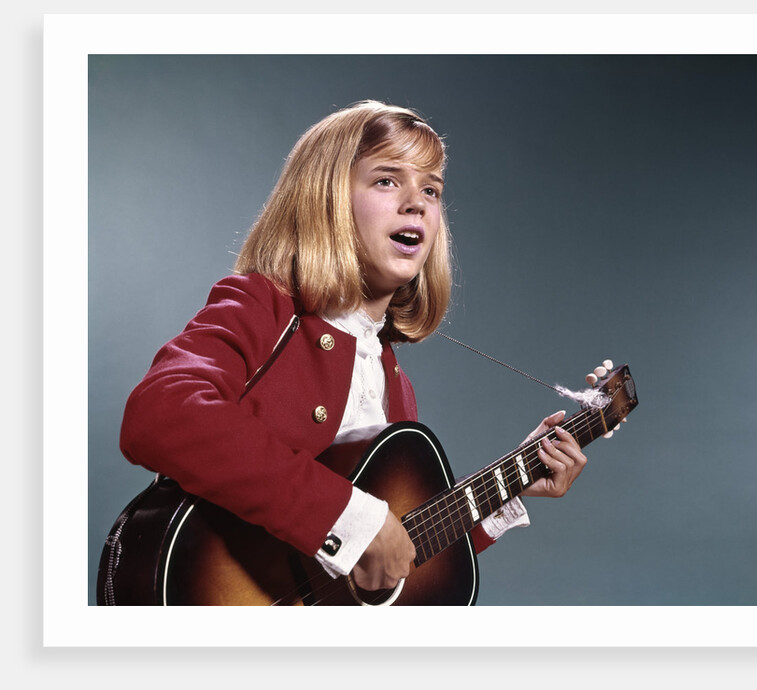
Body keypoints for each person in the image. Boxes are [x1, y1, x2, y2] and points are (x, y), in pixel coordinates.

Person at [119, 100, 588, 599]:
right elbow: (159, 412)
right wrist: (347, 518)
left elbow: (389, 557)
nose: (417, 203)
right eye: (387, 180)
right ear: (326, 200)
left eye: (431, 189)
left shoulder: (395, 384)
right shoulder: (262, 306)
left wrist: (511, 486)